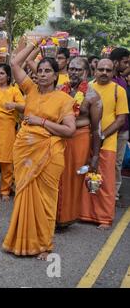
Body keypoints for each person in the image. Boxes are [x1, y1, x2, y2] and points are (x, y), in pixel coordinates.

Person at [2, 37, 76, 260]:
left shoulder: (64, 99)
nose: (42, 74)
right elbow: (15, 64)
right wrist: (34, 45)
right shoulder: (30, 90)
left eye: (47, 71)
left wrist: (41, 122)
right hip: (25, 152)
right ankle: (21, 241)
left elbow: (70, 130)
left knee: (45, 200)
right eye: (40, 70)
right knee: (24, 196)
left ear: (56, 75)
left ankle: (44, 245)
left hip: (49, 155)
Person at [79, 59, 129, 229]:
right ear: (95, 70)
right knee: (85, 177)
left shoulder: (119, 90)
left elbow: (121, 119)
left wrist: (102, 135)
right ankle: (84, 214)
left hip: (107, 143)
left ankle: (105, 218)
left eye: (108, 70)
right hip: (86, 141)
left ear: (113, 71)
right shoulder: (87, 87)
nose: (104, 73)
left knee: (105, 182)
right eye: (101, 69)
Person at [56, 57, 102, 227]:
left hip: (80, 140)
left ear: (86, 72)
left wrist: (95, 156)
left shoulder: (92, 96)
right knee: (57, 175)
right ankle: (52, 215)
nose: (74, 72)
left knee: (73, 178)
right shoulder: (61, 90)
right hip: (60, 138)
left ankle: (66, 218)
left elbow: (97, 129)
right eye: (71, 69)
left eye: (78, 69)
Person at [0, 63, 25, 202]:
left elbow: (24, 106)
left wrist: (14, 105)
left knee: (7, 162)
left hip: (6, 129)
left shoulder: (14, 90)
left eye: (2, 73)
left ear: (8, 76)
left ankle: (5, 190)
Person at [109, 48, 130, 201]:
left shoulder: (122, 80)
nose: (127, 65)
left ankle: (113, 193)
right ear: (116, 62)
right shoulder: (107, 80)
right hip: (109, 129)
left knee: (117, 163)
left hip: (122, 130)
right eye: (125, 62)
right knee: (106, 161)